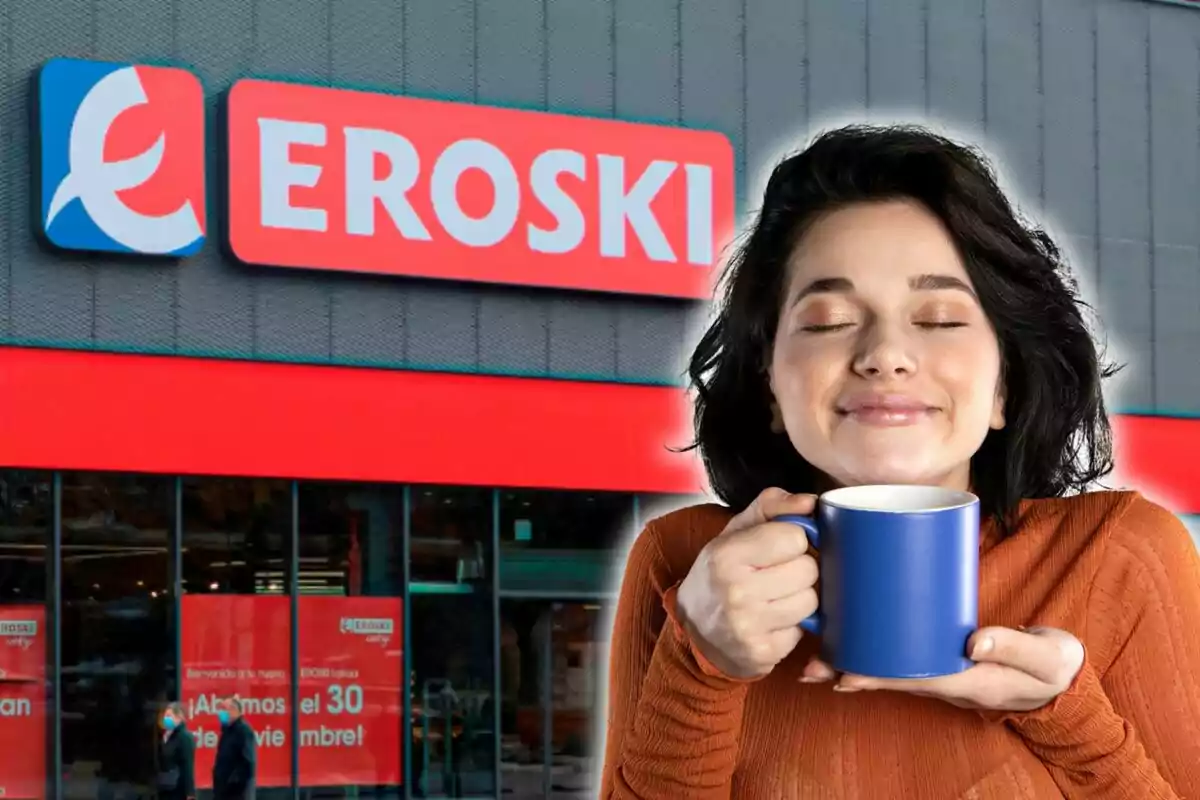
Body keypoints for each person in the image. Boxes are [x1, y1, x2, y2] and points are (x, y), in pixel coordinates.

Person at [600, 124, 1200, 798]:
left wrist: (1068, 713)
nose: (886, 353)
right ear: (770, 385)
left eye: (940, 318)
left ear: (1004, 386)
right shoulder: (682, 561)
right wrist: (700, 663)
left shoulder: (1119, 555)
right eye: (828, 320)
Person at [212, 696, 257, 800]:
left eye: (224, 709)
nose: (220, 713)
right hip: (223, 792)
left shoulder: (243, 731)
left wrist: (232, 782)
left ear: (234, 710)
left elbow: (248, 763)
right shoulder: (226, 731)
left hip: (236, 794)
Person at [156, 702, 195, 800]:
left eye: (169, 716)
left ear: (179, 717)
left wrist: (190, 793)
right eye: (165, 716)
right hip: (165, 787)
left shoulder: (184, 738)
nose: (165, 718)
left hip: (177, 789)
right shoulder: (166, 736)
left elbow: (187, 765)